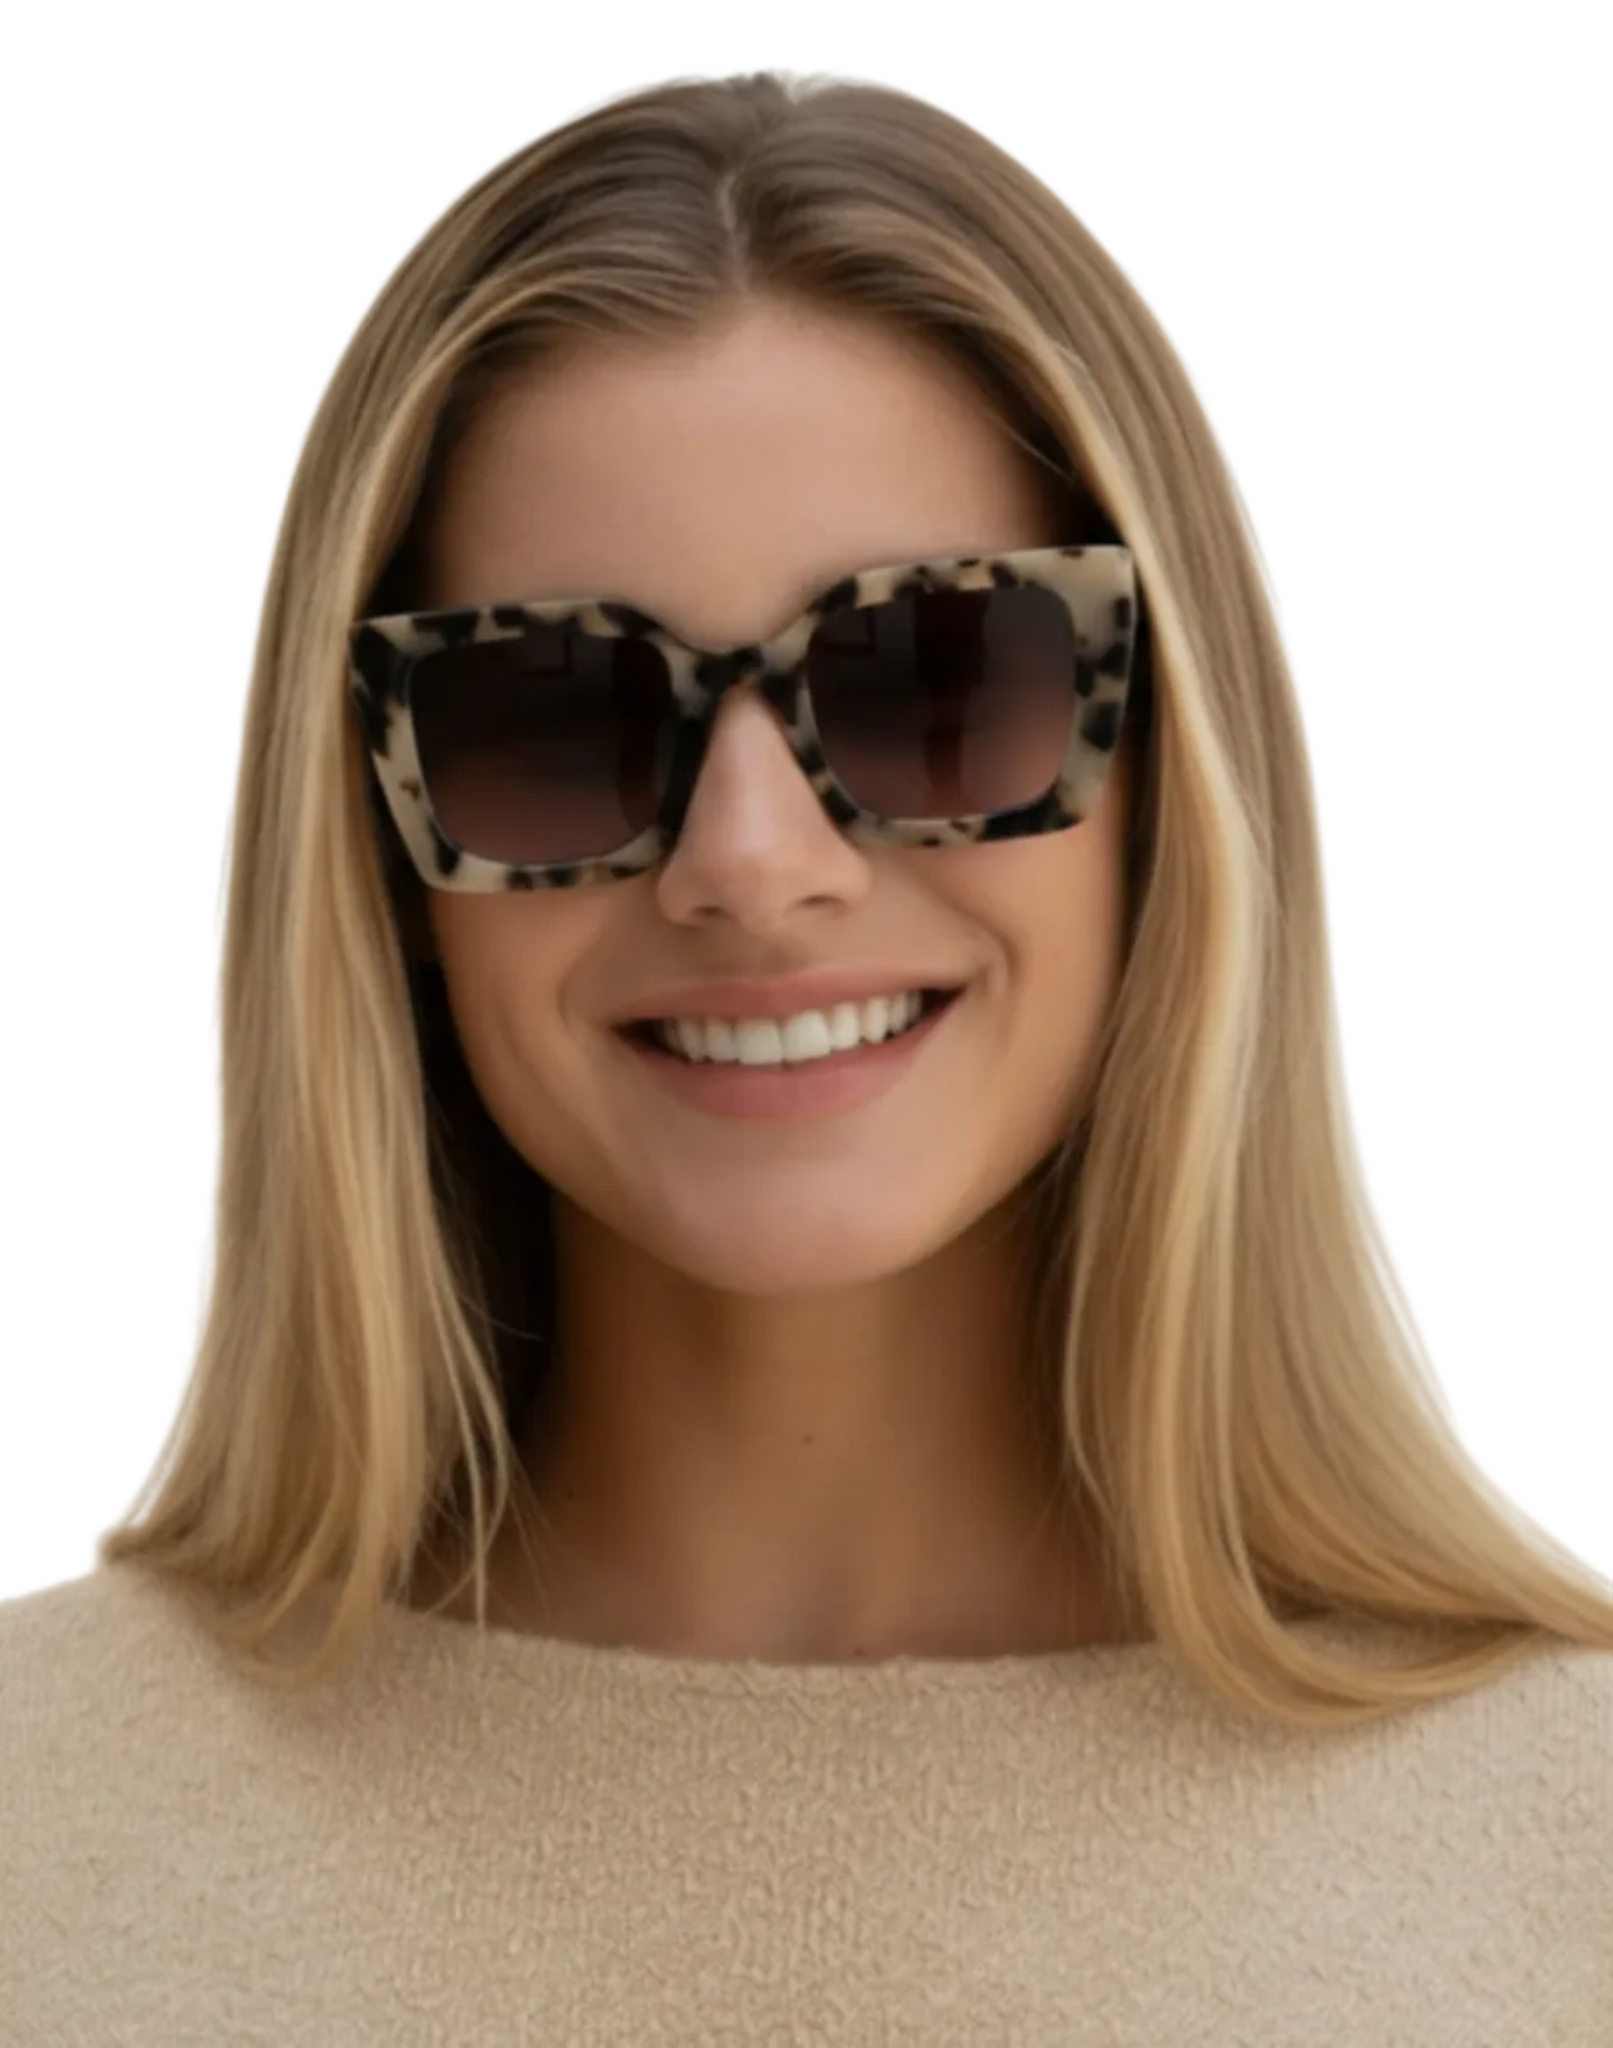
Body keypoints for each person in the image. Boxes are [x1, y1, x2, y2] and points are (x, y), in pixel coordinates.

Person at [3, 69, 1610, 2044]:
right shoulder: (35, 1833)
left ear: (1162, 791)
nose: (751, 863)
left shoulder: (1574, 1867)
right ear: (379, 846)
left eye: (937, 678)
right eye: (552, 717)